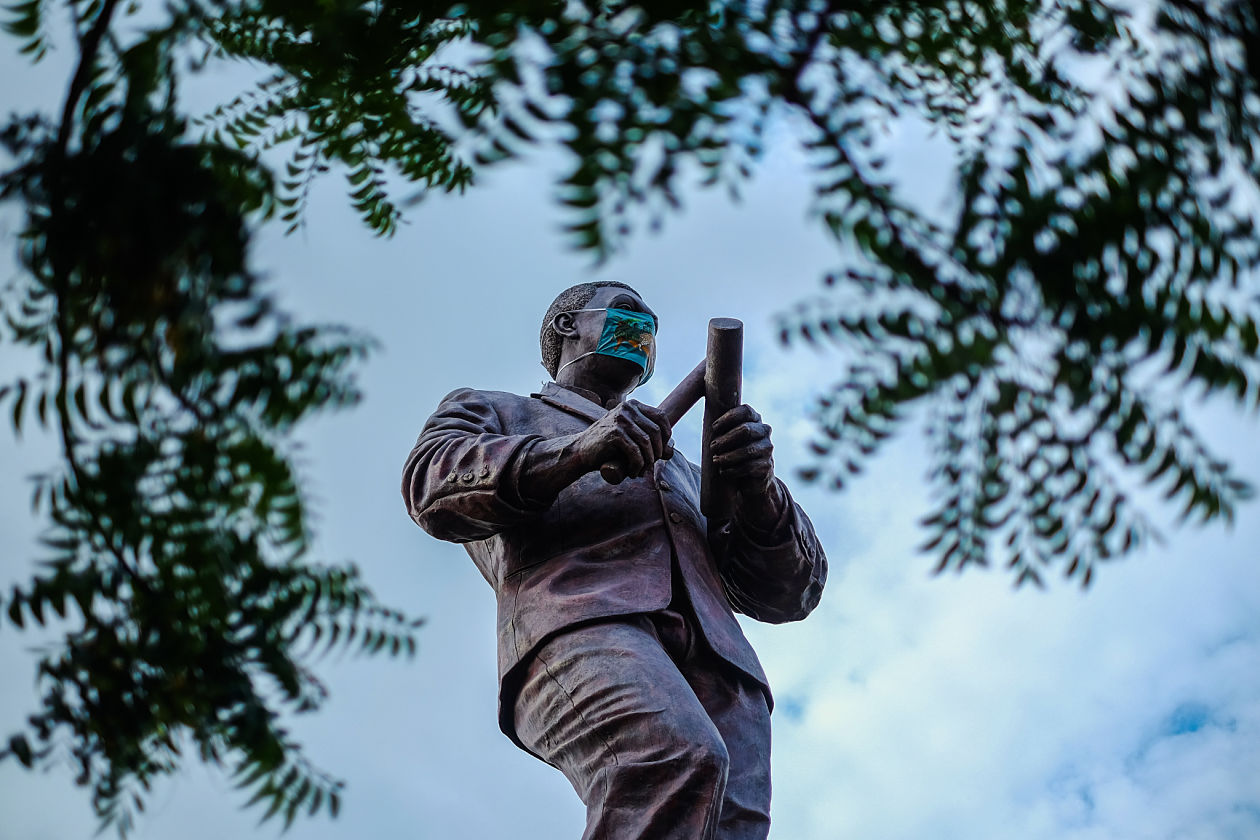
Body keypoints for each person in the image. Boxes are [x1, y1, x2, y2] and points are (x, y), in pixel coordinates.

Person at [402, 281, 826, 840]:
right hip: (583, 626)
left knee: (732, 825)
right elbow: (433, 485)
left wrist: (759, 489)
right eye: (628, 314)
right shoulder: (498, 412)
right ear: (567, 328)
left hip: (721, 665)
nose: (645, 330)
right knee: (669, 756)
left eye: (653, 324)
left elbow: (791, 591)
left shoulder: (687, 475)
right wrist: (580, 451)